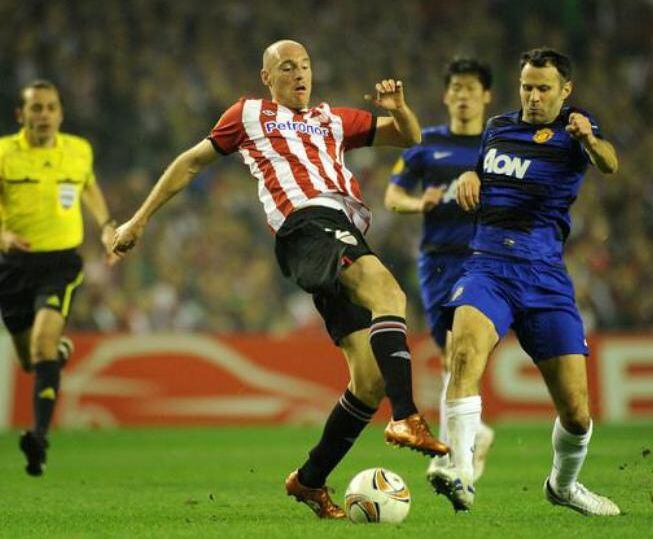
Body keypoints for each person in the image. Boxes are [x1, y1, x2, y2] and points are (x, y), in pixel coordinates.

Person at [112, 39, 448, 519]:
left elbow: (407, 136)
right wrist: (139, 220)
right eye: (287, 67)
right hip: (308, 225)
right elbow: (190, 162)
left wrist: (400, 109)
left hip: (341, 229)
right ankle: (406, 416)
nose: (299, 74)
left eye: (305, 65)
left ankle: (310, 480)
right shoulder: (248, 114)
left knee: (369, 380)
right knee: (389, 292)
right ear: (267, 77)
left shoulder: (333, 120)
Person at [435, 48, 621, 516]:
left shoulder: (577, 129)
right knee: (463, 355)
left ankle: (562, 486)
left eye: (543, 88)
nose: (533, 96)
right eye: (526, 86)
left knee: (577, 414)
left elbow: (610, 163)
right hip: (489, 265)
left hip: (544, 277)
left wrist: (590, 140)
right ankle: (459, 469)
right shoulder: (498, 127)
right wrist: (466, 177)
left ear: (565, 90)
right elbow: (482, 173)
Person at [385, 58, 495, 486]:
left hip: (484, 260)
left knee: (457, 350)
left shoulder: (498, 144)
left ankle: (456, 458)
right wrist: (420, 204)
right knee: (451, 353)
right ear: (447, 95)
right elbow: (393, 196)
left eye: (472, 88)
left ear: (485, 95)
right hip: (437, 261)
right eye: (457, 88)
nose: (463, 95)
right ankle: (470, 440)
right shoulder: (426, 144)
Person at [0, 80, 116, 476]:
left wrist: (106, 226)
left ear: (60, 114)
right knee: (31, 359)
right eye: (36, 108)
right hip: (13, 267)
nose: (44, 115)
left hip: (60, 264)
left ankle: (38, 437)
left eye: (50, 108)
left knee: (41, 342)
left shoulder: (78, 150)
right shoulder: (3, 154)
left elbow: (89, 187)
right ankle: (57, 355)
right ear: (21, 115)